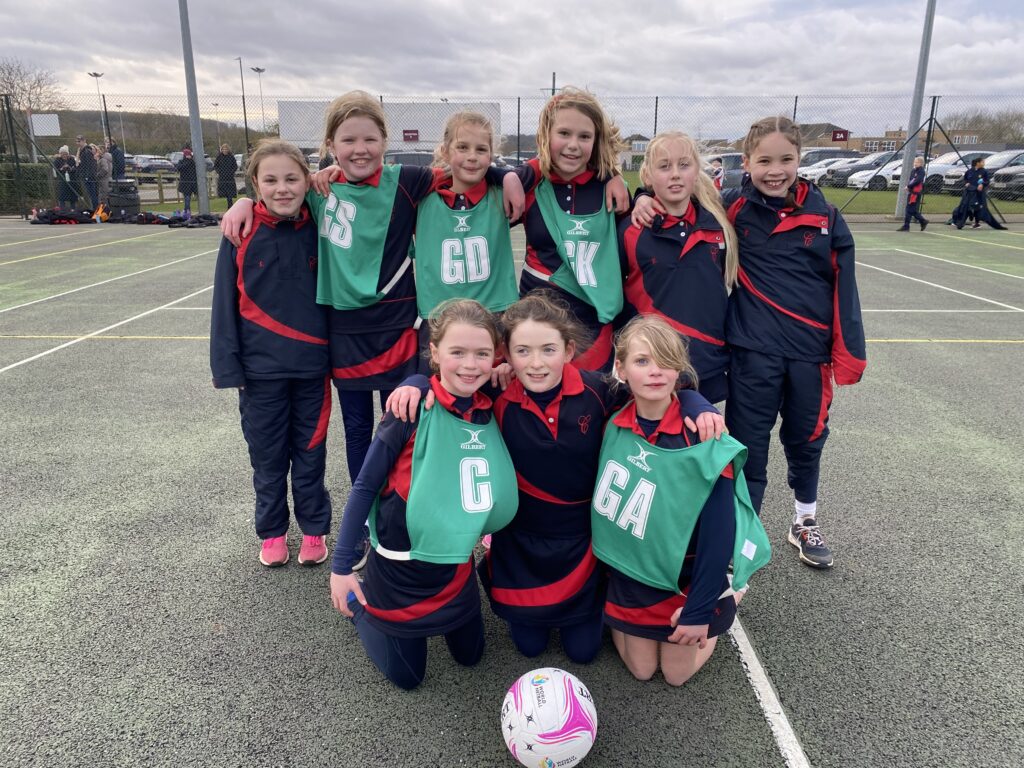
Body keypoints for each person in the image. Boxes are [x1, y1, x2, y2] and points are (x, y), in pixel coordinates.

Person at [385, 292, 726, 665]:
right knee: (528, 646)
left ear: (568, 350)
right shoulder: (493, 393)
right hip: (520, 544)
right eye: (523, 351)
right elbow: (449, 382)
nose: (536, 363)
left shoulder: (599, 391)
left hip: (581, 546)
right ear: (506, 356)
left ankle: (647, 601)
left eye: (548, 350)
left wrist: (696, 401)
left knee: (584, 653)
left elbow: (652, 387)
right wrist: (416, 382)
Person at [221, 90, 524, 491]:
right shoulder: (316, 190)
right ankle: (366, 513)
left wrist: (507, 174)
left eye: (369, 139)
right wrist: (243, 201)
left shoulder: (408, 181)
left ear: (386, 141)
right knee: (358, 428)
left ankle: (399, 502)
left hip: (397, 325)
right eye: (348, 141)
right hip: (343, 331)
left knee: (402, 419)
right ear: (331, 146)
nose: (360, 149)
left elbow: (466, 169)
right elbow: (277, 195)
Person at [328, 299, 517, 690]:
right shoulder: (410, 410)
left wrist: (684, 395)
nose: (470, 364)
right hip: (402, 573)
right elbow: (364, 487)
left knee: (472, 657)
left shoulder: (492, 404)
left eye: (482, 354)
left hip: (455, 569)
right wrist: (341, 568)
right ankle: (359, 606)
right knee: (409, 679)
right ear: (433, 352)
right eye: (457, 352)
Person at [592, 315, 770, 686]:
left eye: (666, 361)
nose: (656, 371)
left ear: (680, 370)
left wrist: (700, 609)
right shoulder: (613, 420)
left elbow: (719, 533)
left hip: (684, 575)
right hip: (634, 568)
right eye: (642, 361)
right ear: (621, 369)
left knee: (675, 675)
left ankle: (732, 595)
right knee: (641, 670)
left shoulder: (705, 439)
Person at [721, 116, 866, 568]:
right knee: (749, 446)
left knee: (806, 441)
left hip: (809, 357)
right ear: (747, 162)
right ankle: (744, 531)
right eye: (764, 160)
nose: (775, 169)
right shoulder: (730, 209)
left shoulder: (826, 218)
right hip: (752, 354)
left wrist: (849, 354)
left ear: (800, 161)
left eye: (786, 159)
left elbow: (845, 289)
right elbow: (674, 199)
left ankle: (803, 521)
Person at [210, 139, 333, 568]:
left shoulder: (322, 224)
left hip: (313, 370)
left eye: (292, 178)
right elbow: (224, 304)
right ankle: (273, 533)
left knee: (310, 455)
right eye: (270, 180)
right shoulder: (239, 232)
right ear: (256, 184)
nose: (282, 188)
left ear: (306, 180)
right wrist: (228, 367)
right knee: (267, 459)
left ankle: (315, 531)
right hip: (260, 374)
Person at [512, 87, 631, 372]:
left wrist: (637, 191)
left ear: (596, 140)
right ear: (546, 135)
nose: (573, 145)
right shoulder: (529, 185)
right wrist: (515, 175)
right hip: (537, 325)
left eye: (584, 136)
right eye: (564, 133)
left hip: (594, 326)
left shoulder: (611, 189)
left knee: (590, 409)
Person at [618, 131, 739, 404]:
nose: (675, 174)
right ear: (647, 176)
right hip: (652, 367)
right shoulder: (630, 229)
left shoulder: (720, 221)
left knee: (701, 439)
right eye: (664, 166)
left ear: (696, 171)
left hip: (706, 363)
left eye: (683, 165)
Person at [410, 111, 519, 362]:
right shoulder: (421, 198)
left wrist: (510, 176)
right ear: (445, 151)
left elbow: (543, 173)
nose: (472, 156)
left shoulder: (501, 195)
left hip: (495, 315)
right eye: (462, 147)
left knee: (496, 393)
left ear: (491, 155)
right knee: (442, 395)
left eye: (481, 149)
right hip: (439, 317)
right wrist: (330, 174)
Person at [898, 156, 928, 231]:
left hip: (915, 193)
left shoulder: (921, 171)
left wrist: (909, 186)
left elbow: (918, 180)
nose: (915, 164)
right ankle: (910, 225)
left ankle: (921, 221)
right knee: (910, 210)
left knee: (910, 210)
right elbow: (911, 179)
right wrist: (909, 187)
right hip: (911, 192)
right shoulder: (913, 171)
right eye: (915, 162)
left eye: (917, 162)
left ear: (921, 163)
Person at [75, 134, 98, 210]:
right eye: (77, 141)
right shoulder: (82, 151)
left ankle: (95, 209)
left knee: (92, 195)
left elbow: (89, 165)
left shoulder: (87, 151)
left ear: (84, 141)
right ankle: (92, 209)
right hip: (85, 175)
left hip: (89, 177)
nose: (78, 143)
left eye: (79, 141)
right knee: (89, 195)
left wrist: (87, 176)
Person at [175, 146, 199, 218]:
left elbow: (195, 169)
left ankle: (187, 211)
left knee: (189, 197)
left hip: (192, 182)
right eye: (186, 155)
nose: (187, 156)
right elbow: (179, 168)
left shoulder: (192, 162)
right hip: (185, 182)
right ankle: (187, 211)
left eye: (188, 154)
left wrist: (190, 161)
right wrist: (187, 161)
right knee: (187, 197)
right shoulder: (182, 162)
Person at [214, 143, 239, 208]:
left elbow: (235, 166)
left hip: (230, 177)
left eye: (226, 149)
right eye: (223, 149)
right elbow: (216, 166)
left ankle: (230, 206)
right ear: (221, 150)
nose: (225, 150)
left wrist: (231, 172)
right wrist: (219, 172)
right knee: (224, 192)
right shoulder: (219, 157)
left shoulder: (231, 157)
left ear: (228, 149)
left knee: (230, 192)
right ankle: (229, 205)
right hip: (222, 177)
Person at [53, 146, 78, 210]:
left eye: (66, 154)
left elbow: (75, 167)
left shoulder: (71, 159)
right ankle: (62, 210)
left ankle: (73, 210)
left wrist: (69, 168)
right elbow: (55, 170)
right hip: (62, 180)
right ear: (60, 154)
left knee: (72, 196)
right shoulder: (57, 160)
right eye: (63, 154)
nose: (64, 155)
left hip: (71, 179)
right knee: (62, 197)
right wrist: (61, 168)